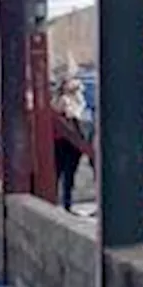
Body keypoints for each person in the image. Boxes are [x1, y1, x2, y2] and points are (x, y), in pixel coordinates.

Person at [53, 78, 86, 212]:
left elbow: (78, 115)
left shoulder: (78, 100)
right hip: (62, 140)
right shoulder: (61, 100)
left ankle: (67, 203)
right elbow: (68, 112)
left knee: (69, 174)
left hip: (73, 140)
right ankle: (58, 202)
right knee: (60, 172)